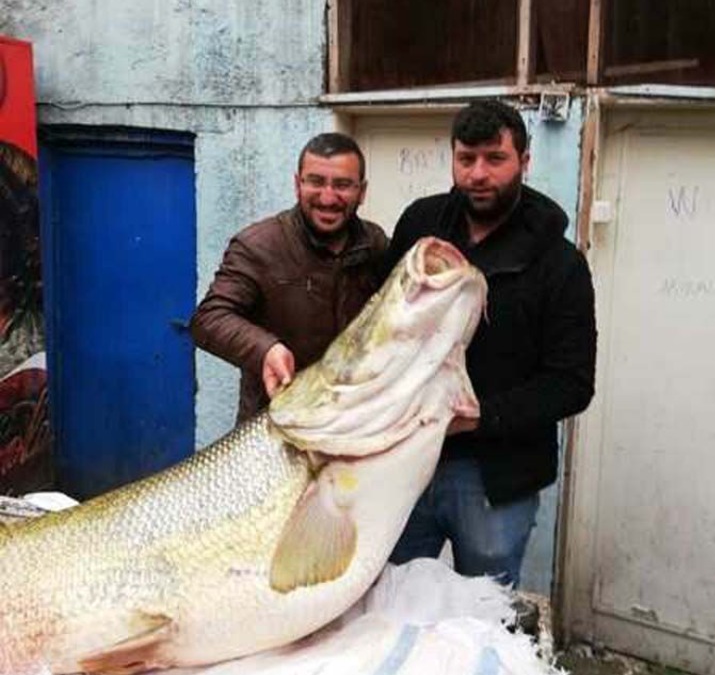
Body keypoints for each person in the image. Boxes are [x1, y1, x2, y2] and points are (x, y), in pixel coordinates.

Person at [384, 100, 597, 587]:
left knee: (481, 619)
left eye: (494, 159)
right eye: (466, 158)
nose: (479, 174)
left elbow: (571, 384)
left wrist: (477, 418)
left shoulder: (560, 264)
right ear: (453, 159)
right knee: (389, 602)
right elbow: (383, 322)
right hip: (405, 462)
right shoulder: (421, 226)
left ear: (524, 161)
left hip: (497, 480)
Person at [190, 132, 388, 422]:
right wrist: (266, 349)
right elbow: (208, 319)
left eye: (343, 185)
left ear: (362, 191)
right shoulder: (258, 245)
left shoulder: (375, 243)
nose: (328, 197)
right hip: (275, 424)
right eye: (316, 181)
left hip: (350, 425)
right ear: (298, 184)